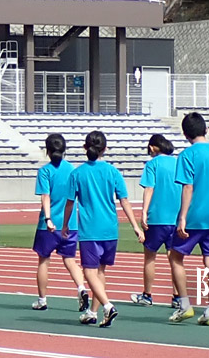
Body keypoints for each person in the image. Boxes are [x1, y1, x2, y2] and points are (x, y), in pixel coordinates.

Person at [62, 130, 143, 328]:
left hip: (90, 230)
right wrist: (135, 226)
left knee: (89, 272)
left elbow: (70, 203)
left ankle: (107, 306)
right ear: (105, 149)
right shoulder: (112, 172)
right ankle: (93, 312)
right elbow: (124, 200)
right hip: (110, 229)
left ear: (84, 148)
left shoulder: (77, 173)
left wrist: (65, 224)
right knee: (100, 272)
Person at [170, 112, 209, 327]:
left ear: (186, 134)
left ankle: (185, 304)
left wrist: (183, 217)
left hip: (195, 215)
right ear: (205, 129)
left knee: (176, 257)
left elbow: (188, 186)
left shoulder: (187, 155)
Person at [30, 134, 84, 312]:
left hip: (50, 224)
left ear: (47, 150)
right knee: (70, 260)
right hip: (70, 224)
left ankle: (42, 299)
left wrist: (48, 218)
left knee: (44, 261)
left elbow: (45, 196)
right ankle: (81, 288)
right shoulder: (73, 170)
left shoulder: (45, 171)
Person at [133, 134, 184, 310]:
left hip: (157, 217)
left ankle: (147, 294)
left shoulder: (152, 164)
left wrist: (144, 211)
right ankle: (177, 296)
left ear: (154, 147)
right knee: (175, 259)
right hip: (176, 217)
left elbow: (149, 188)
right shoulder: (178, 163)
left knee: (149, 258)